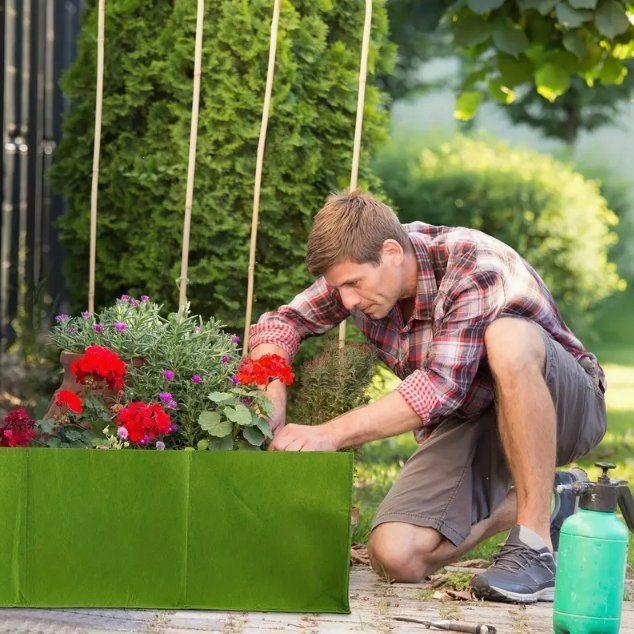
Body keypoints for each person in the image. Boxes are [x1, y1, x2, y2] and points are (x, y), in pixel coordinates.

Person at [248, 189, 607, 603]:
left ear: (391, 252)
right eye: (339, 288)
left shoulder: (473, 264)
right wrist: (267, 396)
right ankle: (556, 498)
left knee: (508, 337)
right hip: (474, 414)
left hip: (564, 404)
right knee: (395, 556)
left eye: (353, 285)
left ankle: (534, 548)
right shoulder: (360, 270)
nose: (347, 301)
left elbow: (441, 386)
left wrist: (328, 434)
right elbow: (283, 323)